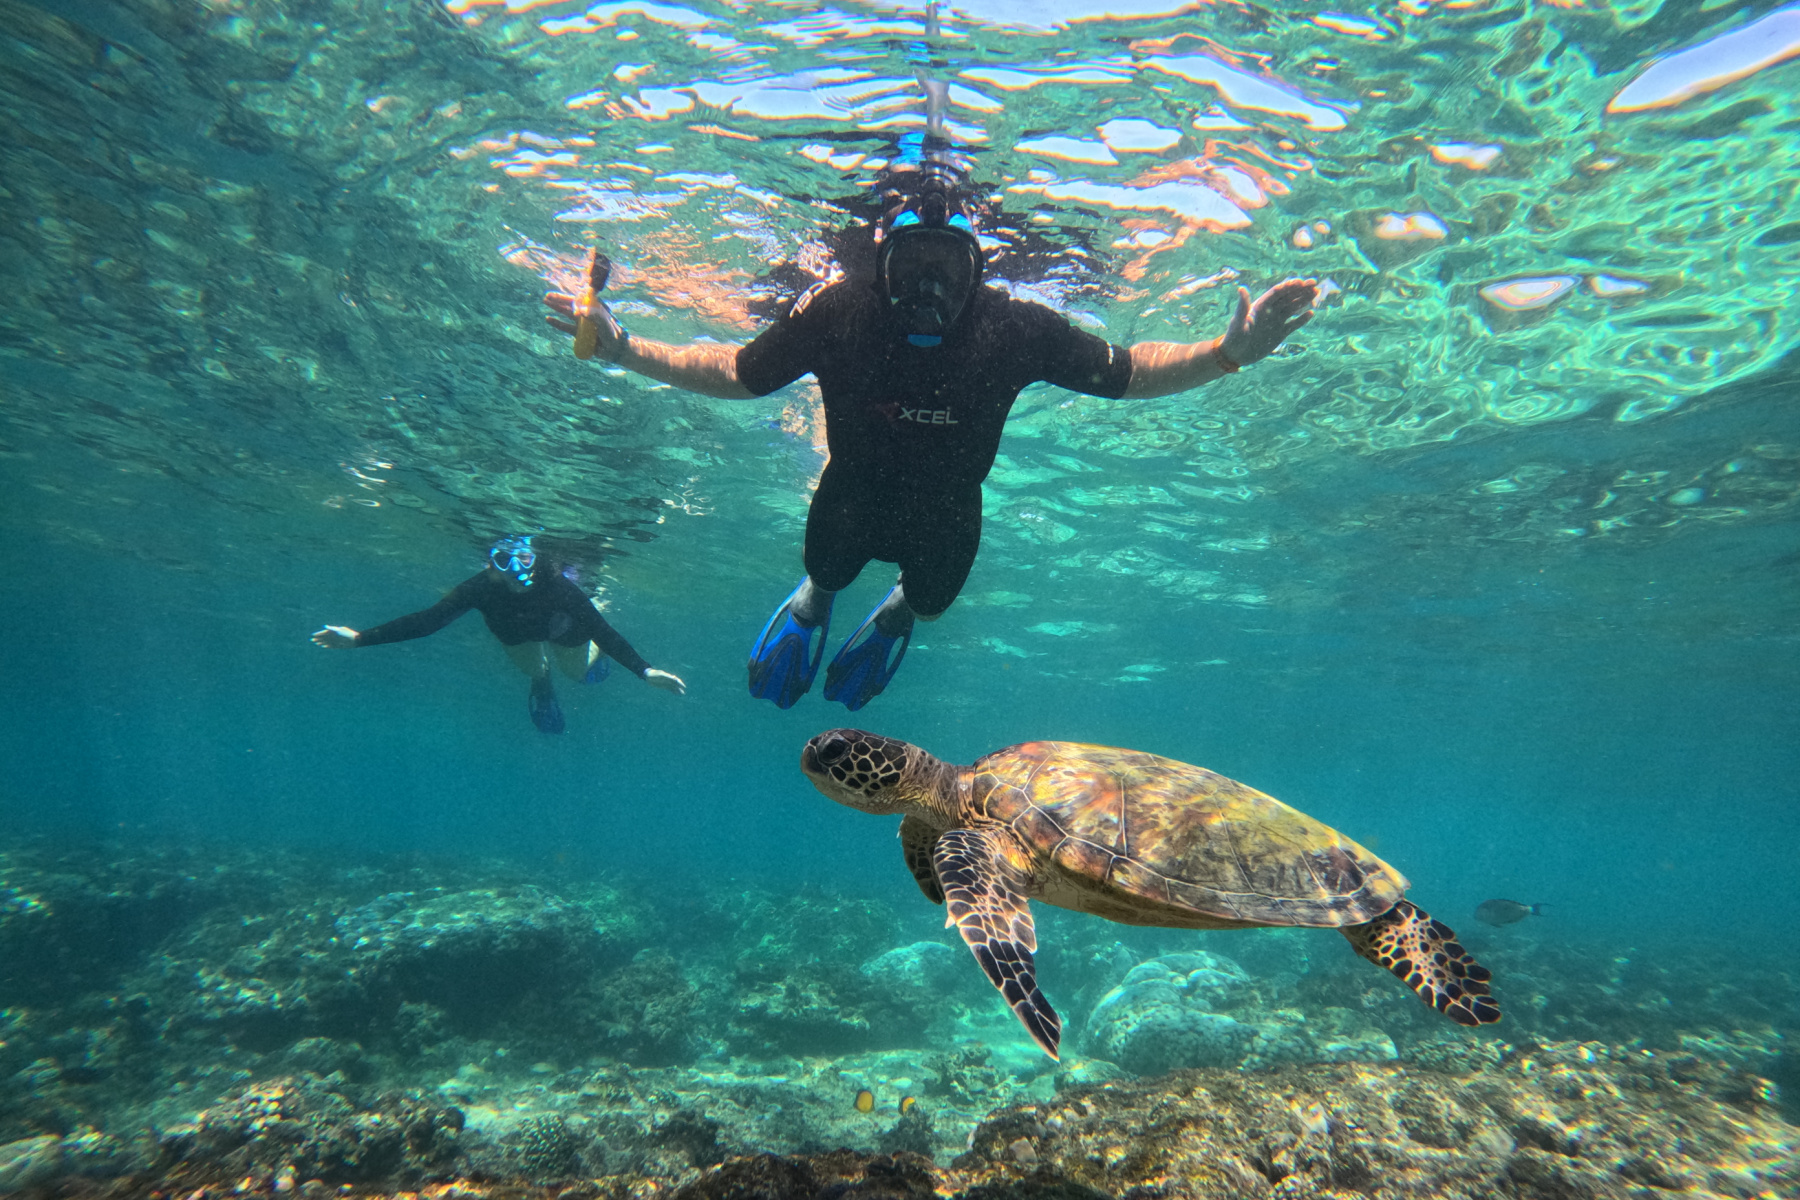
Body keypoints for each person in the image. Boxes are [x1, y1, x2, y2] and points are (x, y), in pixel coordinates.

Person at [544, 176, 1317, 711]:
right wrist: (622, 349)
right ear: (880, 267)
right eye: (910, 266)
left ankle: (891, 617)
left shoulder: (1014, 329)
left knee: (933, 598)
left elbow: (1128, 372)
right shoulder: (840, 313)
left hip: (949, 506)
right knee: (825, 566)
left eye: (948, 268)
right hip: (854, 487)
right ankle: (814, 604)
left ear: (977, 271)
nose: (928, 288)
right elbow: (738, 373)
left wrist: (1227, 356)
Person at [311, 536, 686, 734]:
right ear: (490, 563)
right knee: (534, 670)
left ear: (536, 558)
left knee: (577, 672)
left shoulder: (559, 588)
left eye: (524, 559)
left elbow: (604, 631)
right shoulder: (480, 588)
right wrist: (358, 639)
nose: (516, 570)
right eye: (504, 560)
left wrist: (644, 671)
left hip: (566, 628)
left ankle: (591, 651)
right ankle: (542, 684)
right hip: (513, 631)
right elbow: (428, 622)